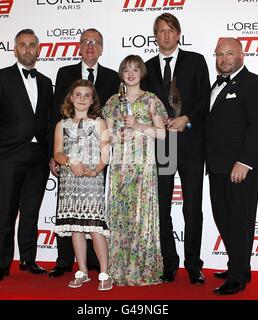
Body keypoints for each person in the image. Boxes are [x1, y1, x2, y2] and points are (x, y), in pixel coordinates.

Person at [143, 13, 210, 284]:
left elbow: (205, 96)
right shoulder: (146, 67)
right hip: (162, 146)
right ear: (155, 36)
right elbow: (143, 104)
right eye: (160, 31)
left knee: (192, 207)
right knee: (161, 208)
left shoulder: (196, 61)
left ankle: (193, 264)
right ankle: (168, 262)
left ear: (178, 34)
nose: (166, 35)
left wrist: (187, 119)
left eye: (171, 30)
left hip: (191, 145)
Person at [0, 29, 53, 282]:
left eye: (32, 45)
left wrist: (51, 154)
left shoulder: (45, 82)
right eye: (22, 45)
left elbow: (47, 120)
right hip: (9, 155)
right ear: (15, 49)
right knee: (6, 213)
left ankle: (28, 259)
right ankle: (1, 264)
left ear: (39, 49)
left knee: (31, 212)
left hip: (38, 157)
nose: (27, 49)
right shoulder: (0, 77)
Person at [49, 28, 120, 278]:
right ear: (79, 46)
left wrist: (100, 166)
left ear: (102, 48)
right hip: (69, 167)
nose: (91, 46)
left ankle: (99, 268)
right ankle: (66, 262)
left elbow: (112, 118)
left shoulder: (112, 77)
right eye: (86, 42)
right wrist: (58, 156)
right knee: (70, 218)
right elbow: (55, 118)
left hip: (95, 165)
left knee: (95, 223)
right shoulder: (64, 73)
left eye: (96, 42)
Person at [207, 38, 258, 295]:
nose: (223, 58)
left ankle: (237, 277)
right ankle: (239, 266)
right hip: (216, 166)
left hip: (240, 167)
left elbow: (257, 127)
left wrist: (244, 162)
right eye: (219, 54)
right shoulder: (216, 85)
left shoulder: (256, 84)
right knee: (223, 218)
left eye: (229, 53)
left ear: (242, 55)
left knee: (240, 222)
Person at [103, 55, 167, 286]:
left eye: (135, 69)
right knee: (120, 215)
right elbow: (106, 136)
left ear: (142, 73)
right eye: (126, 69)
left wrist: (139, 126)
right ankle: (117, 268)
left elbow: (162, 133)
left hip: (144, 167)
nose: (131, 73)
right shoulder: (113, 102)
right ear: (121, 73)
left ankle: (141, 268)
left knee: (141, 214)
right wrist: (115, 136)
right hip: (120, 166)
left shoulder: (151, 100)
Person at [53, 79, 112, 291]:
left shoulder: (99, 123)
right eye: (78, 94)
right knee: (76, 228)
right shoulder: (61, 124)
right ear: (71, 97)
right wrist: (70, 162)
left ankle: (105, 273)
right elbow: (57, 153)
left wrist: (96, 170)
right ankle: (83, 271)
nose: (82, 99)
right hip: (70, 182)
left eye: (87, 95)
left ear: (92, 100)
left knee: (95, 228)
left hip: (92, 181)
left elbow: (106, 153)